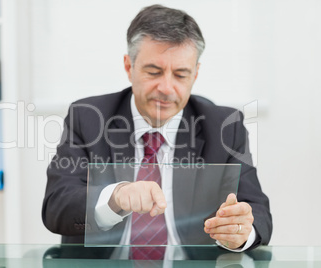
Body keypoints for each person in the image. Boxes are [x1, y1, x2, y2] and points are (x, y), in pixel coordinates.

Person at [42, 4, 272, 259]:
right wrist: (115, 197)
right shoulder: (87, 117)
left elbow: (257, 211)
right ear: (129, 67)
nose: (166, 87)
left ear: (195, 75)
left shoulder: (225, 126)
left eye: (181, 75)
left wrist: (240, 231)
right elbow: (56, 208)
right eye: (154, 72)